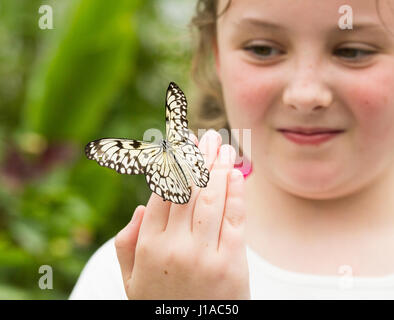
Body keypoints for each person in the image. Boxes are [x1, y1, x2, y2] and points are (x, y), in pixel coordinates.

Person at [69, 0, 394, 299]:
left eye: (353, 52)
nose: (304, 95)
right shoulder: (135, 272)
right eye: (263, 49)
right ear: (217, 57)